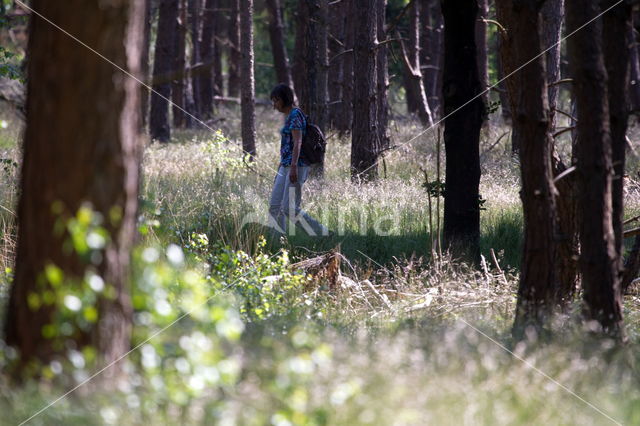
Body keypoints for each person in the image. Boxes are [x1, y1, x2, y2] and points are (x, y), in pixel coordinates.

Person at [268, 83, 328, 236]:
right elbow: (287, 145)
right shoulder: (289, 117)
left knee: (290, 209)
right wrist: (281, 166)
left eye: (276, 101)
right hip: (286, 166)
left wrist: (293, 166)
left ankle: (323, 234)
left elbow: (298, 142)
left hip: (297, 166)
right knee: (275, 206)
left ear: (284, 99)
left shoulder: (296, 115)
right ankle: (277, 245)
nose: (274, 105)